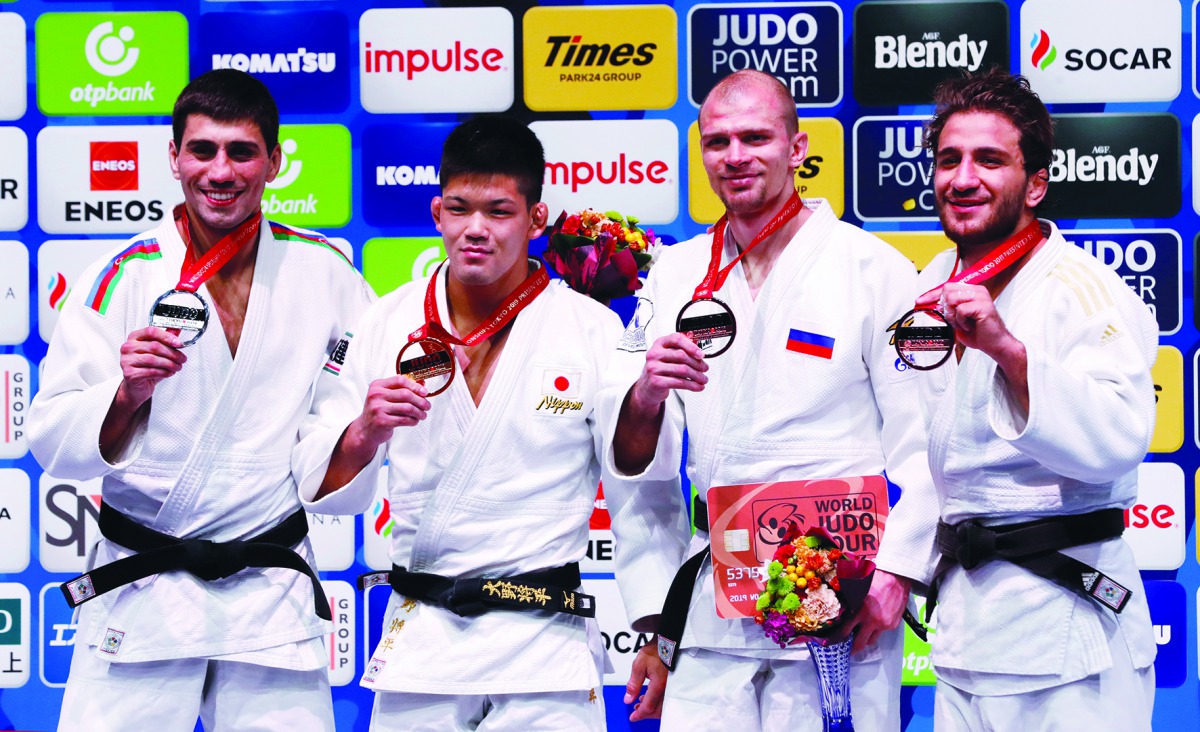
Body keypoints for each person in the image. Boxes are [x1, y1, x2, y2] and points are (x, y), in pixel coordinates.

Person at [292, 115, 666, 731]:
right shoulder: (384, 324)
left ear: (535, 220)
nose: (475, 230)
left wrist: (652, 627)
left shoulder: (592, 330)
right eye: (460, 209)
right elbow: (319, 478)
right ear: (436, 212)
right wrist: (365, 430)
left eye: (498, 211)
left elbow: (638, 492)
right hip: (423, 642)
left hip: (546, 644)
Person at [28, 69, 373, 730]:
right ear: (174, 158)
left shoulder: (326, 274)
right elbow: (50, 434)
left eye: (242, 151)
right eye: (203, 150)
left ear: (275, 161)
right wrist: (126, 394)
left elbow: (343, 405)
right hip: (144, 590)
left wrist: (361, 434)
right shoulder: (121, 276)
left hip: (270, 594)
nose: (221, 170)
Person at [596, 69, 939, 730]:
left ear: (797, 146)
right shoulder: (674, 274)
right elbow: (637, 469)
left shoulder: (874, 270)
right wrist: (644, 394)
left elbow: (925, 443)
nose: (735, 156)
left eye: (755, 137)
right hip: (713, 598)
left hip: (837, 591)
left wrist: (897, 574)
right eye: (717, 141)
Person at [913, 67, 1157, 729]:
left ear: (1037, 183)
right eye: (949, 160)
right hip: (966, 628)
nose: (963, 179)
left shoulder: (1085, 289)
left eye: (990, 160)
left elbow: (1117, 437)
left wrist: (1006, 349)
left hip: (1067, 630)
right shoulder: (932, 281)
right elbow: (925, 450)